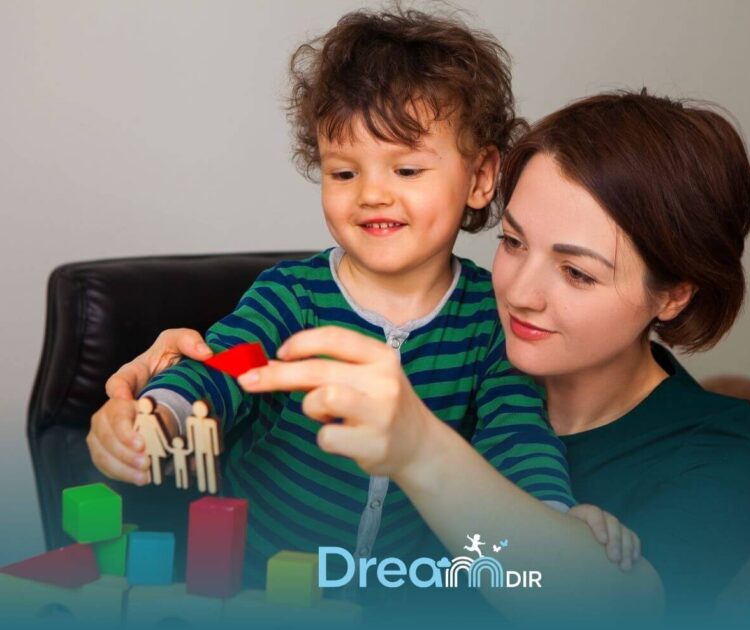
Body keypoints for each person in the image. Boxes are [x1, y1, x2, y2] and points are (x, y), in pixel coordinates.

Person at [102, 91, 750, 620]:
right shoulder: (443, 337)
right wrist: (166, 393)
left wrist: (418, 447)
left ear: (673, 295)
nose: (520, 294)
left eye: (577, 274)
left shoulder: (719, 454)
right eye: (513, 242)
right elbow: (240, 377)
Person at [86, 8, 645, 597]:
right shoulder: (292, 296)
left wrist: (553, 515)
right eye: (345, 172)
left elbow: (516, 435)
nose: (373, 193)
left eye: (406, 168)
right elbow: (221, 368)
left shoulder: (487, 318)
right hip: (256, 591)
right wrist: (156, 416)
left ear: (481, 177)